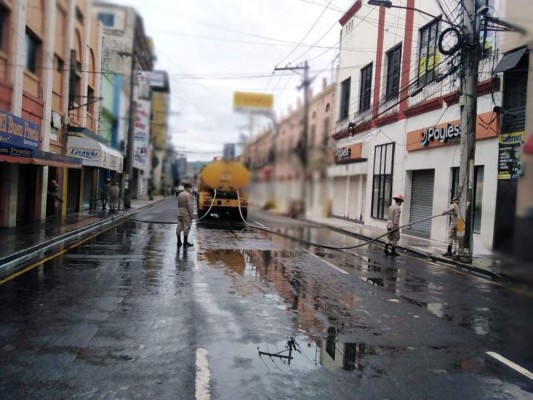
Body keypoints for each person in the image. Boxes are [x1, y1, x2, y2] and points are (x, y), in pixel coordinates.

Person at [176, 182, 194, 247]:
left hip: (180, 212)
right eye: (190, 188)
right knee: (186, 227)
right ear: (188, 188)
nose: (191, 189)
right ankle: (185, 242)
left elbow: (178, 204)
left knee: (179, 226)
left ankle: (179, 241)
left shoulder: (180, 194)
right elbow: (189, 206)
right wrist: (191, 215)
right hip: (186, 213)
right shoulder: (188, 195)